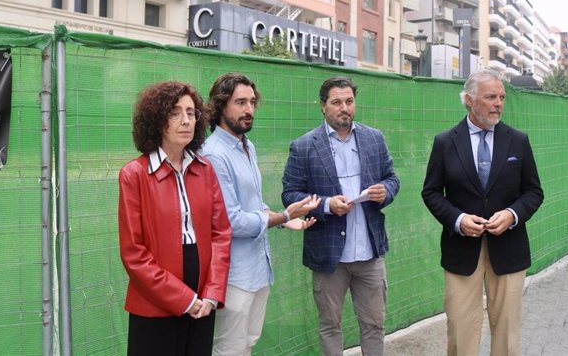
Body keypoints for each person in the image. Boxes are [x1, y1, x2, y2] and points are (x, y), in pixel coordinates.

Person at [422, 68, 544, 356]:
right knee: (461, 330)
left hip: (509, 249)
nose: (498, 103)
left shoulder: (518, 140)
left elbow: (533, 192)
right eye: (490, 97)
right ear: (469, 100)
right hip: (461, 250)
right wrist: (458, 219)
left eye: (501, 97)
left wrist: (512, 215)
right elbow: (430, 192)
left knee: (507, 332)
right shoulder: (445, 142)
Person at [200, 72, 321, 356]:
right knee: (228, 348)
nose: (249, 110)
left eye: (252, 102)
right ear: (220, 106)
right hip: (232, 274)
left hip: (258, 268)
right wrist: (282, 216)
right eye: (240, 102)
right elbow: (231, 221)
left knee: (249, 342)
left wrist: (287, 220)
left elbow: (252, 206)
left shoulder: (246, 146)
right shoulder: (214, 154)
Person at [282, 76, 400, 356]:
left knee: (374, 325)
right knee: (330, 326)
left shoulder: (374, 138)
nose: (344, 108)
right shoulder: (304, 146)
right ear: (323, 106)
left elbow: (392, 178)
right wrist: (325, 204)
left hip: (369, 253)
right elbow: (290, 194)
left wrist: (385, 191)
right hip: (328, 256)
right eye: (336, 102)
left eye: (349, 101)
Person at [118, 81, 232, 356]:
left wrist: (211, 293)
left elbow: (221, 234)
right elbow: (134, 253)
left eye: (191, 113)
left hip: (203, 295)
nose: (186, 121)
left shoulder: (205, 170)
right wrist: (184, 299)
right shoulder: (134, 174)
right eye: (175, 113)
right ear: (157, 120)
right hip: (155, 299)